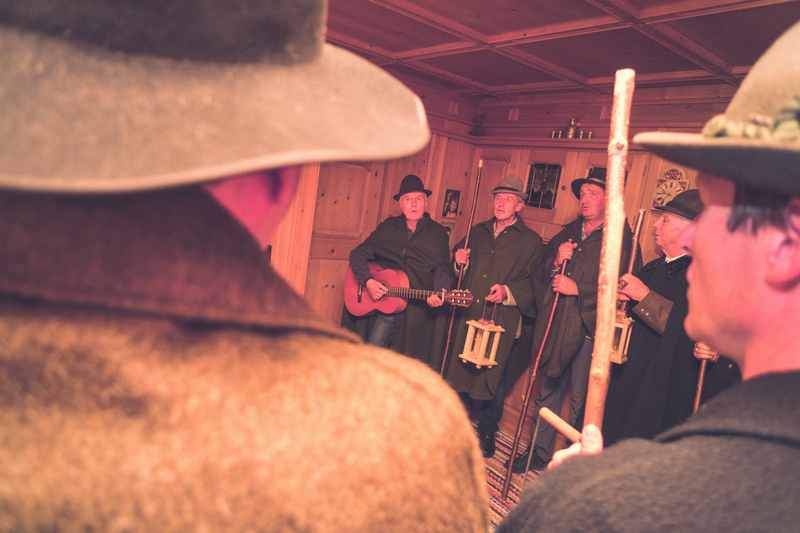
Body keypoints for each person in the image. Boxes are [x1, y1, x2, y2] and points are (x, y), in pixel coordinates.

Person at [0, 2, 488, 531]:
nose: (413, 206)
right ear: (274, 182)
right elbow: (361, 254)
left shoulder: (436, 237)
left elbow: (439, 270)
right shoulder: (406, 435)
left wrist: (437, 286)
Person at [499, 20, 800, 532]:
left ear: (785, 247)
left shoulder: (626, 505)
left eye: (709, 213)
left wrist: (579, 500)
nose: (694, 240)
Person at [512, 167, 636, 472]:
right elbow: (540, 272)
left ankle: (572, 464)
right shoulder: (569, 232)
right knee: (548, 390)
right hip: (557, 326)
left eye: (593, 193)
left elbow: (622, 288)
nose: (585, 199)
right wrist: (556, 260)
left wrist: (578, 289)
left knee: (583, 401)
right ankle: (538, 452)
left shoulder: (621, 238)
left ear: (609, 199)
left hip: (588, 331)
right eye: (582, 194)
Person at [444, 176, 544, 458]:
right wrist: (458, 261)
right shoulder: (478, 231)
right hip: (470, 311)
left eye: (508, 199)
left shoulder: (532, 242)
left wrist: (508, 291)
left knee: (494, 377)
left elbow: (536, 283)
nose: (501, 203)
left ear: (520, 206)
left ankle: (487, 430)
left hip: (503, 319)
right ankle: (456, 424)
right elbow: (458, 266)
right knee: (461, 368)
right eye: (498, 198)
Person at [603, 189, 702, 446]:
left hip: (657, 390)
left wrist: (644, 296)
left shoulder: (701, 278)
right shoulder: (653, 267)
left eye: (666, 220)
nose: (656, 225)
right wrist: (619, 301)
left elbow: (688, 330)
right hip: (626, 375)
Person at [344, 174, 452, 367]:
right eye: (408, 200)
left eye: (418, 199)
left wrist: (441, 291)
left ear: (425, 202)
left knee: (406, 367)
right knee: (372, 358)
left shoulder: (437, 233)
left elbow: (443, 268)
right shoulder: (388, 228)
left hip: (418, 311)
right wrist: (368, 281)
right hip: (387, 305)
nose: (414, 205)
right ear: (400, 204)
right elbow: (358, 254)